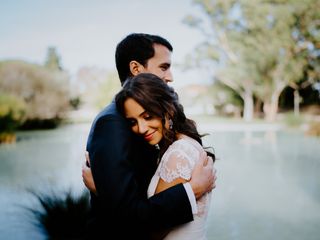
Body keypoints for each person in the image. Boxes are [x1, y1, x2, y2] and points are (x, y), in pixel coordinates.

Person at [83, 33, 217, 239]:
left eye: (146, 116)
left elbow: (132, 199)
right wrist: (192, 190)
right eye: (164, 67)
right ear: (136, 68)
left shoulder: (172, 140)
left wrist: (105, 192)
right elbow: (126, 212)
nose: (170, 76)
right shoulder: (112, 122)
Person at [115, 73, 215, 239]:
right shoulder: (185, 143)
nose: (141, 128)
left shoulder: (178, 154)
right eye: (133, 122)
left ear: (168, 109)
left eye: (147, 116)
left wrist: (102, 192)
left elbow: (152, 231)